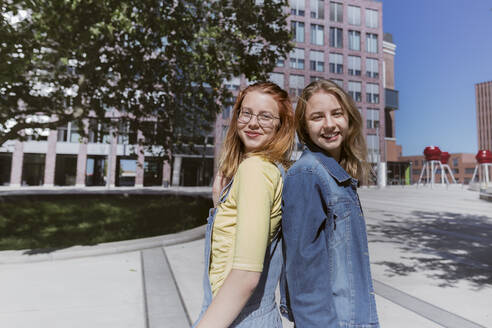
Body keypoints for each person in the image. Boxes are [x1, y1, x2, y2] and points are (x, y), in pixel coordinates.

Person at [193, 82, 295, 328]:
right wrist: (221, 204)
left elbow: (245, 276)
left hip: (239, 319)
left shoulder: (255, 169)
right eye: (246, 113)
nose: (252, 123)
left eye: (265, 116)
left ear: (281, 125)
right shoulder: (270, 169)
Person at [281, 79, 380, 327]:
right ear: (304, 126)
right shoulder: (309, 175)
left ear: (348, 117)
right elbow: (304, 276)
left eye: (336, 113)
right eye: (317, 117)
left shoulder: (333, 174)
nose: (329, 124)